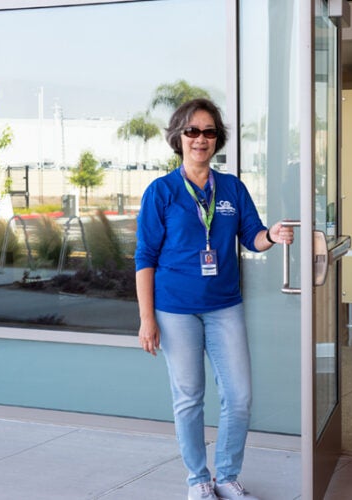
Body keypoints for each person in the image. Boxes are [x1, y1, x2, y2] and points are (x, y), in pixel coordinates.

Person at [134, 98, 294, 500]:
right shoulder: (162, 192)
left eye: (208, 132)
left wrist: (271, 237)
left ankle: (226, 476)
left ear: (217, 140)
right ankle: (197, 481)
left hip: (224, 306)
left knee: (239, 396)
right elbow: (144, 257)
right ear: (178, 138)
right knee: (189, 399)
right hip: (175, 311)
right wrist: (147, 318)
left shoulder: (232, 188)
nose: (200, 139)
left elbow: (253, 237)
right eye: (192, 131)